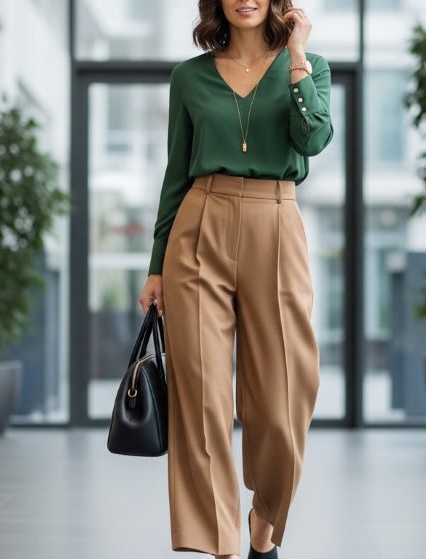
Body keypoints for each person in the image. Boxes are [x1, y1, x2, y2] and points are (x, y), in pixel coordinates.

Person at [136, 1, 332, 557]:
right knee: (201, 399)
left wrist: (295, 58)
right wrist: (157, 263)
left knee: (286, 394)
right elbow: (176, 171)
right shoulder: (189, 76)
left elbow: (313, 139)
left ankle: (266, 520)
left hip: (276, 218)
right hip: (200, 224)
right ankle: (221, 543)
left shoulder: (309, 64)